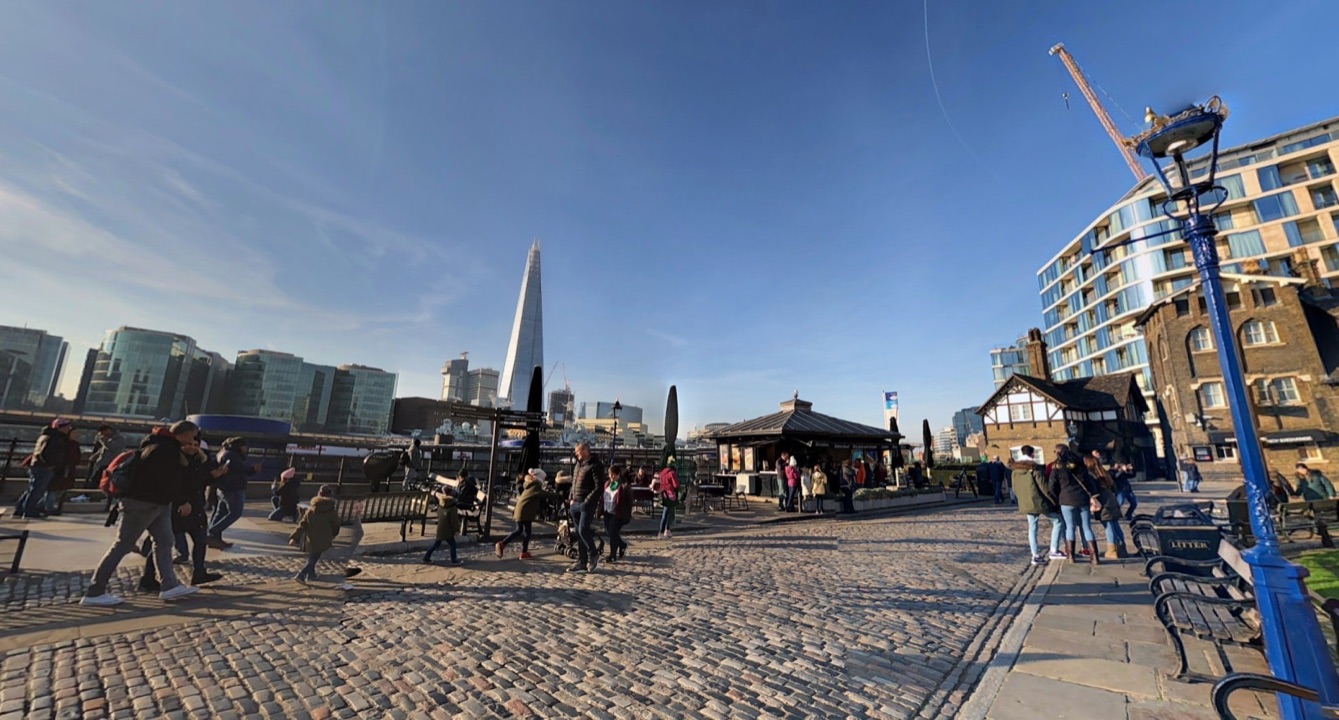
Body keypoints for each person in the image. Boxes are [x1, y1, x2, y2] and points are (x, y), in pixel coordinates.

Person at [81, 421, 205, 606]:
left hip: (157, 503)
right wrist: (181, 499)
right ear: (185, 433)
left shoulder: (155, 444)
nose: (193, 439)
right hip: (146, 503)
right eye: (193, 435)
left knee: (165, 542)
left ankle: (169, 586)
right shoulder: (166, 450)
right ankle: (95, 591)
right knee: (123, 544)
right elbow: (165, 480)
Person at [140, 433, 226, 591]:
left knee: (200, 541)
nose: (192, 447)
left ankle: (199, 572)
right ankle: (148, 578)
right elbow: (173, 483)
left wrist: (215, 475)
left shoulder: (200, 460)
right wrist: (181, 502)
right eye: (189, 444)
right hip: (178, 509)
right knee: (162, 544)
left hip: (195, 507)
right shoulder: (174, 460)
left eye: (195, 445)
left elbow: (198, 481)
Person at [1012, 446, 1065, 564]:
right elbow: (1044, 487)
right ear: (1032, 454)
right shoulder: (1034, 468)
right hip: (1039, 501)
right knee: (1058, 521)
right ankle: (1054, 550)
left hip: (1026, 502)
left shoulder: (1015, 470)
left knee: (1032, 527)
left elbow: (1015, 488)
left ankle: (1035, 555)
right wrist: (1054, 500)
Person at [1049, 444, 1098, 566]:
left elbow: (1051, 486)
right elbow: (1088, 481)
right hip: (1082, 498)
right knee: (1087, 527)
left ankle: (1071, 556)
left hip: (1066, 499)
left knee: (1070, 527)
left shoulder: (1057, 466)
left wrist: (1056, 499)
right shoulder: (1080, 464)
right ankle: (1094, 557)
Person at [17, 418, 76, 519]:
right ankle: (29, 510)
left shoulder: (47, 436)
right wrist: (51, 464)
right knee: (37, 489)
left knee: (32, 488)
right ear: (60, 427)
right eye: (67, 427)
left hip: (38, 465)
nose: (68, 429)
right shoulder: (55, 438)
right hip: (44, 467)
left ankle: (20, 509)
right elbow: (47, 453)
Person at [207, 437, 258, 549]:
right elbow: (239, 469)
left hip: (224, 487)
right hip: (233, 488)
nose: (246, 449)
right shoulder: (232, 455)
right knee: (235, 513)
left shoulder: (223, 452)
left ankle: (214, 538)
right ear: (240, 446)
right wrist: (253, 469)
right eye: (245, 446)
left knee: (220, 513)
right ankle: (211, 533)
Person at [497, 468, 557, 559]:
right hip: (525, 512)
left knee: (520, 530)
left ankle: (506, 545)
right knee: (526, 532)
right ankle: (513, 548)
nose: (544, 481)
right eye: (544, 479)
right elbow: (542, 494)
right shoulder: (536, 485)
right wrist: (557, 495)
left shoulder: (529, 484)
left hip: (521, 510)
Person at [566, 442, 605, 573]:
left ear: (585, 450)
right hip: (575, 503)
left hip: (586, 504)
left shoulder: (596, 465)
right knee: (578, 533)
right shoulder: (578, 465)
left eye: (578, 452)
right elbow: (574, 482)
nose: (576, 454)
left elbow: (599, 487)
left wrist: (587, 501)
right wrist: (571, 498)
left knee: (583, 529)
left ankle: (593, 553)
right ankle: (582, 562)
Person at [291, 484, 341, 583]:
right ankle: (302, 574)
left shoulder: (311, 510)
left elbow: (303, 524)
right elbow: (336, 524)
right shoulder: (331, 510)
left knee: (314, 554)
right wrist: (334, 534)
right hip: (324, 537)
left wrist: (294, 537)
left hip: (311, 537)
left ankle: (311, 574)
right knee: (314, 557)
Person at [1084, 456, 1126, 560]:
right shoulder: (1104, 472)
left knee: (1108, 526)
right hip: (1111, 499)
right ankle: (1122, 548)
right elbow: (1114, 487)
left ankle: (1112, 550)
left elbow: (1093, 490)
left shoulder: (1091, 476)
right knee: (1115, 525)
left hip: (1103, 502)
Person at [599, 465, 633, 563]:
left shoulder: (624, 485)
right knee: (609, 532)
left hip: (617, 513)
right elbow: (603, 497)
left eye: (613, 475)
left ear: (618, 474)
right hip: (607, 512)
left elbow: (629, 501)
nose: (611, 477)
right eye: (610, 474)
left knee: (613, 532)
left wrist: (626, 513)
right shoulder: (607, 484)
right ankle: (622, 545)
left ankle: (612, 555)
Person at [423, 486, 462, 565]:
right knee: (452, 544)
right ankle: (453, 560)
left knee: (436, 544)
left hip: (440, 528)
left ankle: (426, 557)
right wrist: (457, 530)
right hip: (448, 529)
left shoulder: (441, 504)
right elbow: (454, 520)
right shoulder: (452, 507)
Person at [652, 461, 680, 539]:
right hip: (671, 494)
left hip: (664, 493)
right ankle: (661, 531)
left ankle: (667, 530)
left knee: (667, 512)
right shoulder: (672, 473)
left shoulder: (662, 473)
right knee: (667, 513)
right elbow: (675, 484)